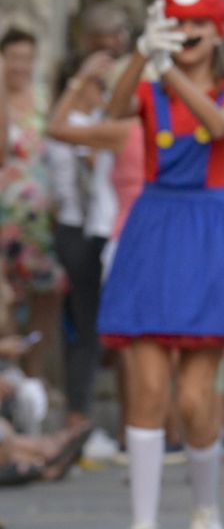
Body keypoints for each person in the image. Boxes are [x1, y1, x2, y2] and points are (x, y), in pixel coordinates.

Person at [99, 0, 224, 529]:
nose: (188, 33)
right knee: (145, 393)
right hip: (154, 227)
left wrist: (166, 71)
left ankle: (205, 515)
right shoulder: (151, 81)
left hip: (212, 230)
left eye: (198, 24)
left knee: (194, 398)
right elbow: (113, 115)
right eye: (177, 22)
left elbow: (220, 125)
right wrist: (140, 53)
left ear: (218, 31)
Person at [45, 51, 127, 445]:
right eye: (100, 85)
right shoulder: (71, 123)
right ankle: (78, 418)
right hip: (75, 230)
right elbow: (53, 129)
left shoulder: (102, 123)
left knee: (101, 329)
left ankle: (102, 419)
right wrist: (80, 78)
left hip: (102, 230)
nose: (104, 92)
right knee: (85, 327)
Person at [0, 27, 62, 380]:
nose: (20, 65)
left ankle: (34, 374)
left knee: (45, 292)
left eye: (27, 57)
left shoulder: (44, 98)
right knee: (5, 299)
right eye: (14, 57)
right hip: (3, 215)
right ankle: (11, 378)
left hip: (39, 218)